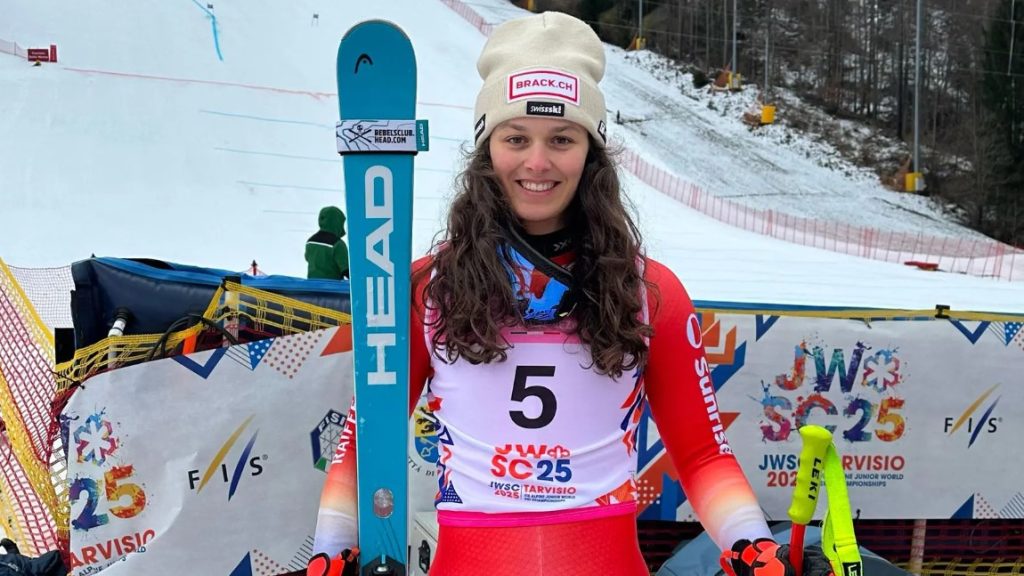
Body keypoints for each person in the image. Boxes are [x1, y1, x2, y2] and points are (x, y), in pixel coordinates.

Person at [310, 12, 836, 576]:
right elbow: (365, 443)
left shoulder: (650, 292)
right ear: (488, 150)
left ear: (592, 152)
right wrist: (332, 549)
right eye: (516, 138)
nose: (538, 163)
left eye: (562, 139)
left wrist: (751, 547)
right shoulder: (425, 290)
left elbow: (703, 454)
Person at [306, 206, 349, 280]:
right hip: (332, 287)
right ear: (336, 222)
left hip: (312, 285)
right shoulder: (338, 244)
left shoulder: (310, 241)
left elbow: (307, 257)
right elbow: (346, 269)